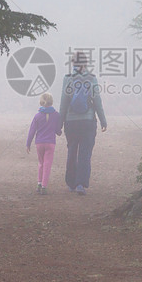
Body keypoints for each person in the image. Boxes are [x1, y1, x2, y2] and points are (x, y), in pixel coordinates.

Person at [59, 52, 107, 195]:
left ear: (73, 63)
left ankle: (71, 183)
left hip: (71, 122)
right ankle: (81, 184)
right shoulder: (92, 79)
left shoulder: (67, 79)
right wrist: (103, 120)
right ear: (86, 64)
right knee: (85, 153)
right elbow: (97, 101)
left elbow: (64, 102)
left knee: (72, 151)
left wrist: (59, 123)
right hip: (88, 121)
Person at [26, 92, 62, 195]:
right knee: (47, 164)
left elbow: (32, 130)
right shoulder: (56, 115)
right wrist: (59, 132)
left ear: (41, 102)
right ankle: (44, 186)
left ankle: (39, 183)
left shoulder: (37, 116)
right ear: (52, 102)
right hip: (50, 143)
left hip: (39, 143)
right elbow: (57, 130)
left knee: (41, 163)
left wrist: (28, 144)